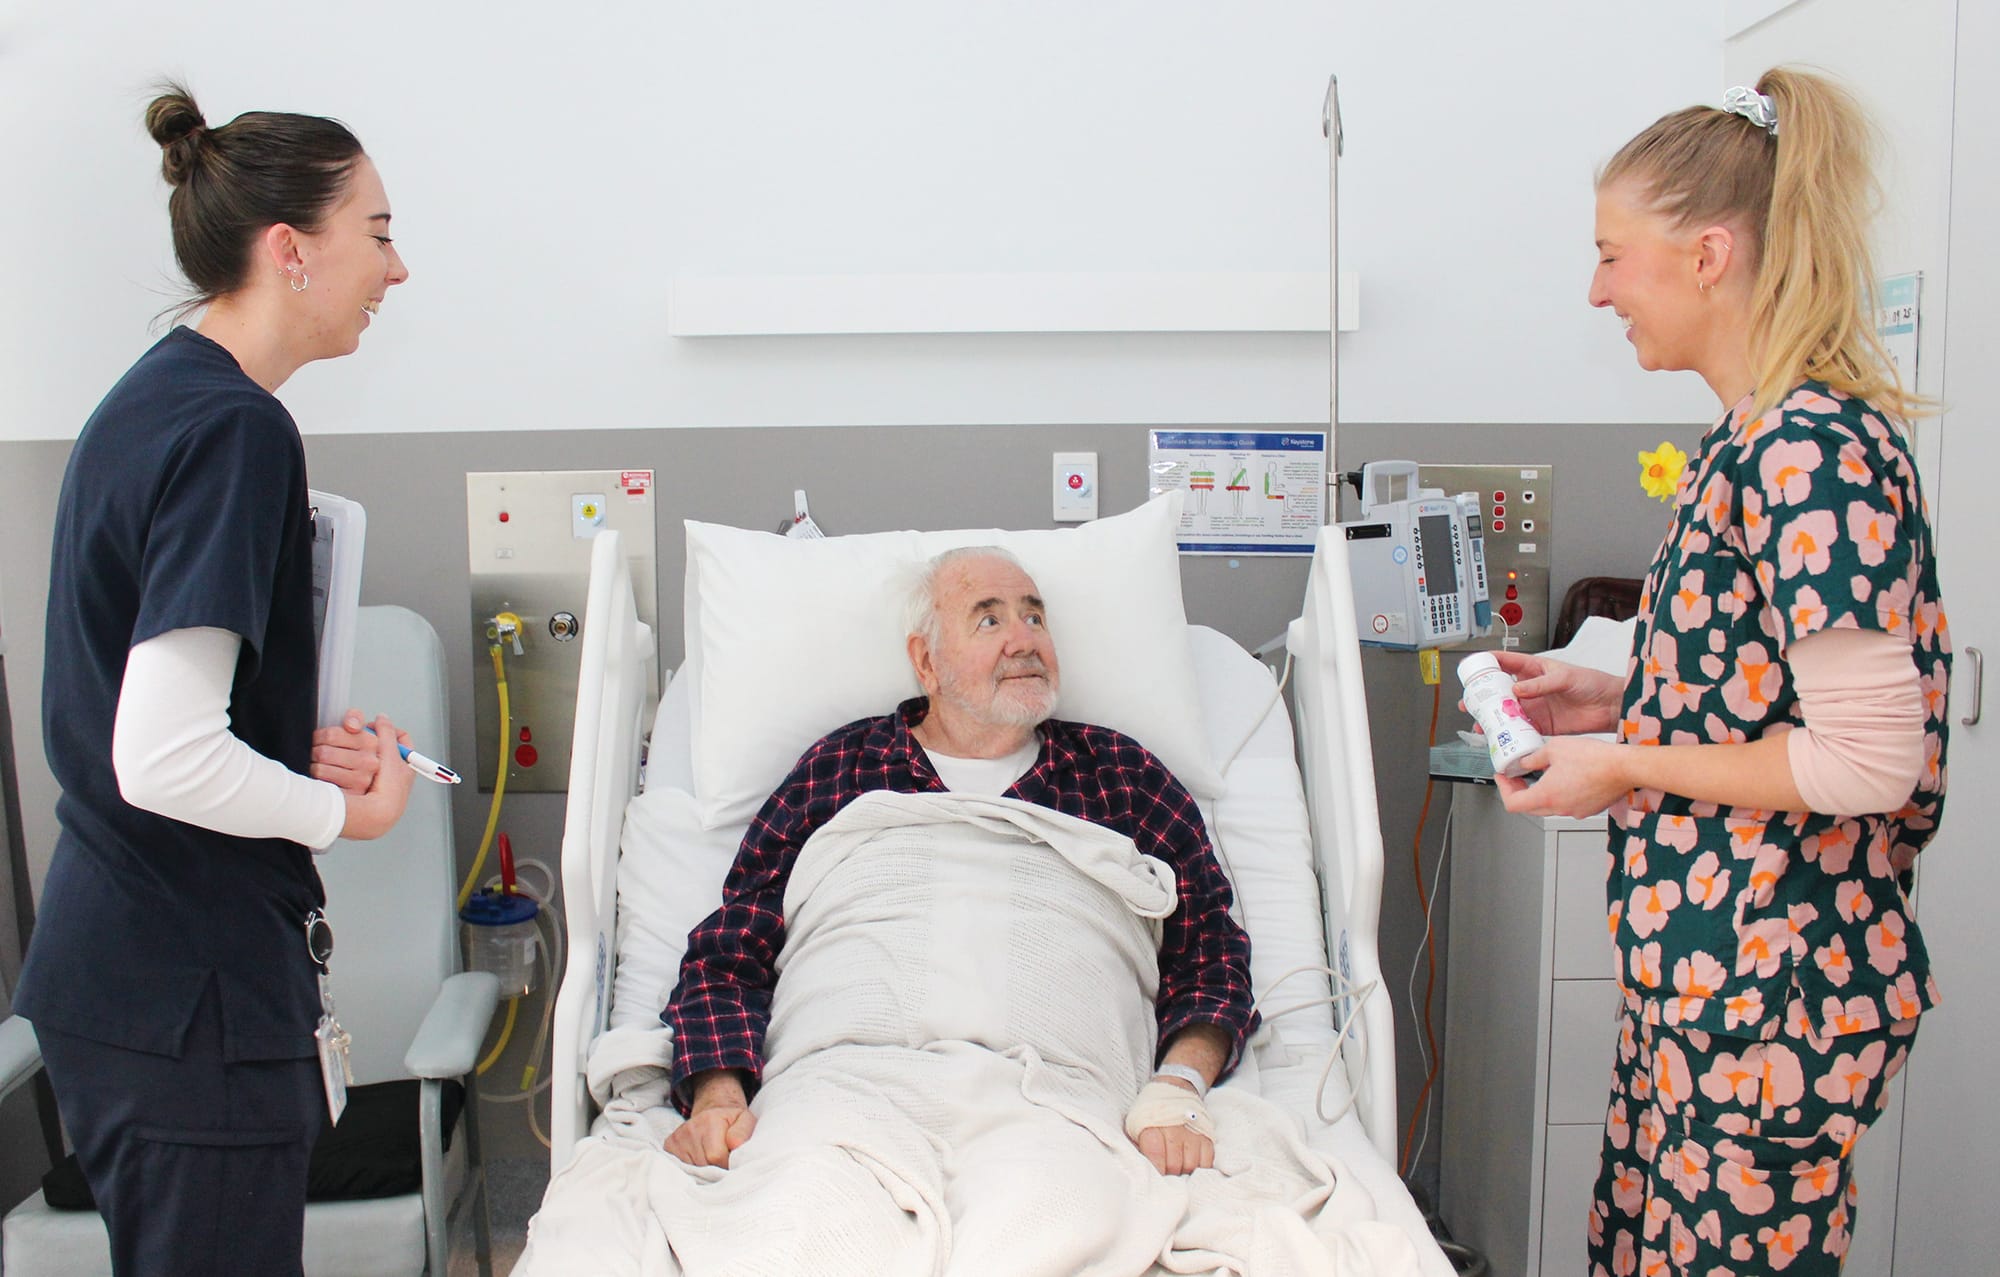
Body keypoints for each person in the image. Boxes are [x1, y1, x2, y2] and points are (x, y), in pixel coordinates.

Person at [1496, 69, 1950, 1276]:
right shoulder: (1742, 443)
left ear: (1705, 254)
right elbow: (1762, 696)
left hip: (1774, 1000)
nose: (1593, 290)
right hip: (1704, 989)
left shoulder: (1810, 452)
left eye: (1609, 254)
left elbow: (1865, 756)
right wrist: (1619, 700)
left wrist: (1625, 758)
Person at [13, 84, 415, 1276]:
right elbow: (167, 754)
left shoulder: (158, 400)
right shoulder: (235, 431)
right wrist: (351, 809)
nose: (399, 269)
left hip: (132, 977)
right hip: (184, 1001)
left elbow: (166, 714)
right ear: (290, 249)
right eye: (381, 232)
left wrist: (289, 744)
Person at [663, 546, 1257, 1179]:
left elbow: (1211, 954)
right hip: (849, 1091)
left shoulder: (1120, 776)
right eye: (989, 620)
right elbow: (729, 954)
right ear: (927, 662)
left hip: (1059, 1105)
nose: (1024, 641)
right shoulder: (842, 769)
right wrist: (719, 1098)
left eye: (1035, 617)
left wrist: (1178, 1086)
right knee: (807, 1208)